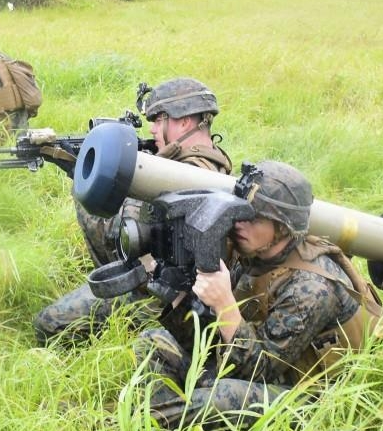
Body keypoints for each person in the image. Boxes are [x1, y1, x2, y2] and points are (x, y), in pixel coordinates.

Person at [135, 160, 381, 431]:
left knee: (216, 396)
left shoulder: (311, 288)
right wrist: (179, 297)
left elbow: (261, 371)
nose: (238, 223)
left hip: (311, 396)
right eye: (238, 212)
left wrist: (225, 303)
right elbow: (211, 342)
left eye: (253, 217)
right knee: (154, 342)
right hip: (259, 364)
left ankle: (156, 426)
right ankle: (165, 423)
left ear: (282, 227)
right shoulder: (252, 252)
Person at [33, 77, 233, 345]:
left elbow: (125, 238)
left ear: (184, 121)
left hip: (162, 297)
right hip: (163, 284)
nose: (151, 128)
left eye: (157, 120)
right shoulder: (204, 164)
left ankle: (127, 328)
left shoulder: (187, 178)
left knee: (48, 324)